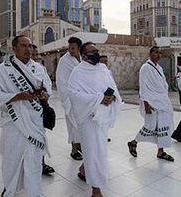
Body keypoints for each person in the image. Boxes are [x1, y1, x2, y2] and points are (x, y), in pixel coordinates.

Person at [0, 36, 49, 197]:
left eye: (30, 46)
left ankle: (33, 192)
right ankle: (9, 189)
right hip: (13, 122)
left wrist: (44, 95)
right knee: (12, 159)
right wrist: (19, 96)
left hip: (35, 121)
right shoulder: (4, 70)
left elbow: (48, 92)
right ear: (14, 48)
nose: (28, 49)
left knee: (34, 161)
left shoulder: (38, 68)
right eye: (24, 46)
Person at [68, 42, 121, 197]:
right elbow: (73, 94)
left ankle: (83, 170)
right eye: (92, 51)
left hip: (102, 117)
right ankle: (96, 190)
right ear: (84, 55)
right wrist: (99, 99)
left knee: (98, 150)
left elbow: (113, 88)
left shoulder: (103, 69)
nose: (96, 53)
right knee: (93, 152)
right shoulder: (77, 72)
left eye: (97, 50)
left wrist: (112, 98)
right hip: (88, 119)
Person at [127, 46, 175, 162]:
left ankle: (161, 151)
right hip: (151, 101)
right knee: (150, 125)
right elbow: (143, 86)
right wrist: (146, 103)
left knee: (163, 125)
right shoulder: (145, 68)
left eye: (160, 53)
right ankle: (134, 142)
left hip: (162, 101)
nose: (158, 55)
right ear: (150, 54)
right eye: (156, 52)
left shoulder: (159, 67)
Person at [55, 37, 83, 160]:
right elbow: (61, 80)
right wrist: (68, 96)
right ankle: (74, 149)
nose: (71, 50)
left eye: (73, 48)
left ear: (78, 48)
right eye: (69, 48)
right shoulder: (64, 61)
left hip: (82, 98)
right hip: (70, 97)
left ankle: (80, 145)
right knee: (72, 124)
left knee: (81, 124)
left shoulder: (82, 58)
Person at [31, 44, 56, 176]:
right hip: (23, 111)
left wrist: (46, 93)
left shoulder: (40, 69)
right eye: (32, 54)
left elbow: (48, 85)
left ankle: (41, 163)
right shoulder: (14, 70)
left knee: (40, 136)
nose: (34, 57)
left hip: (39, 108)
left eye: (36, 54)